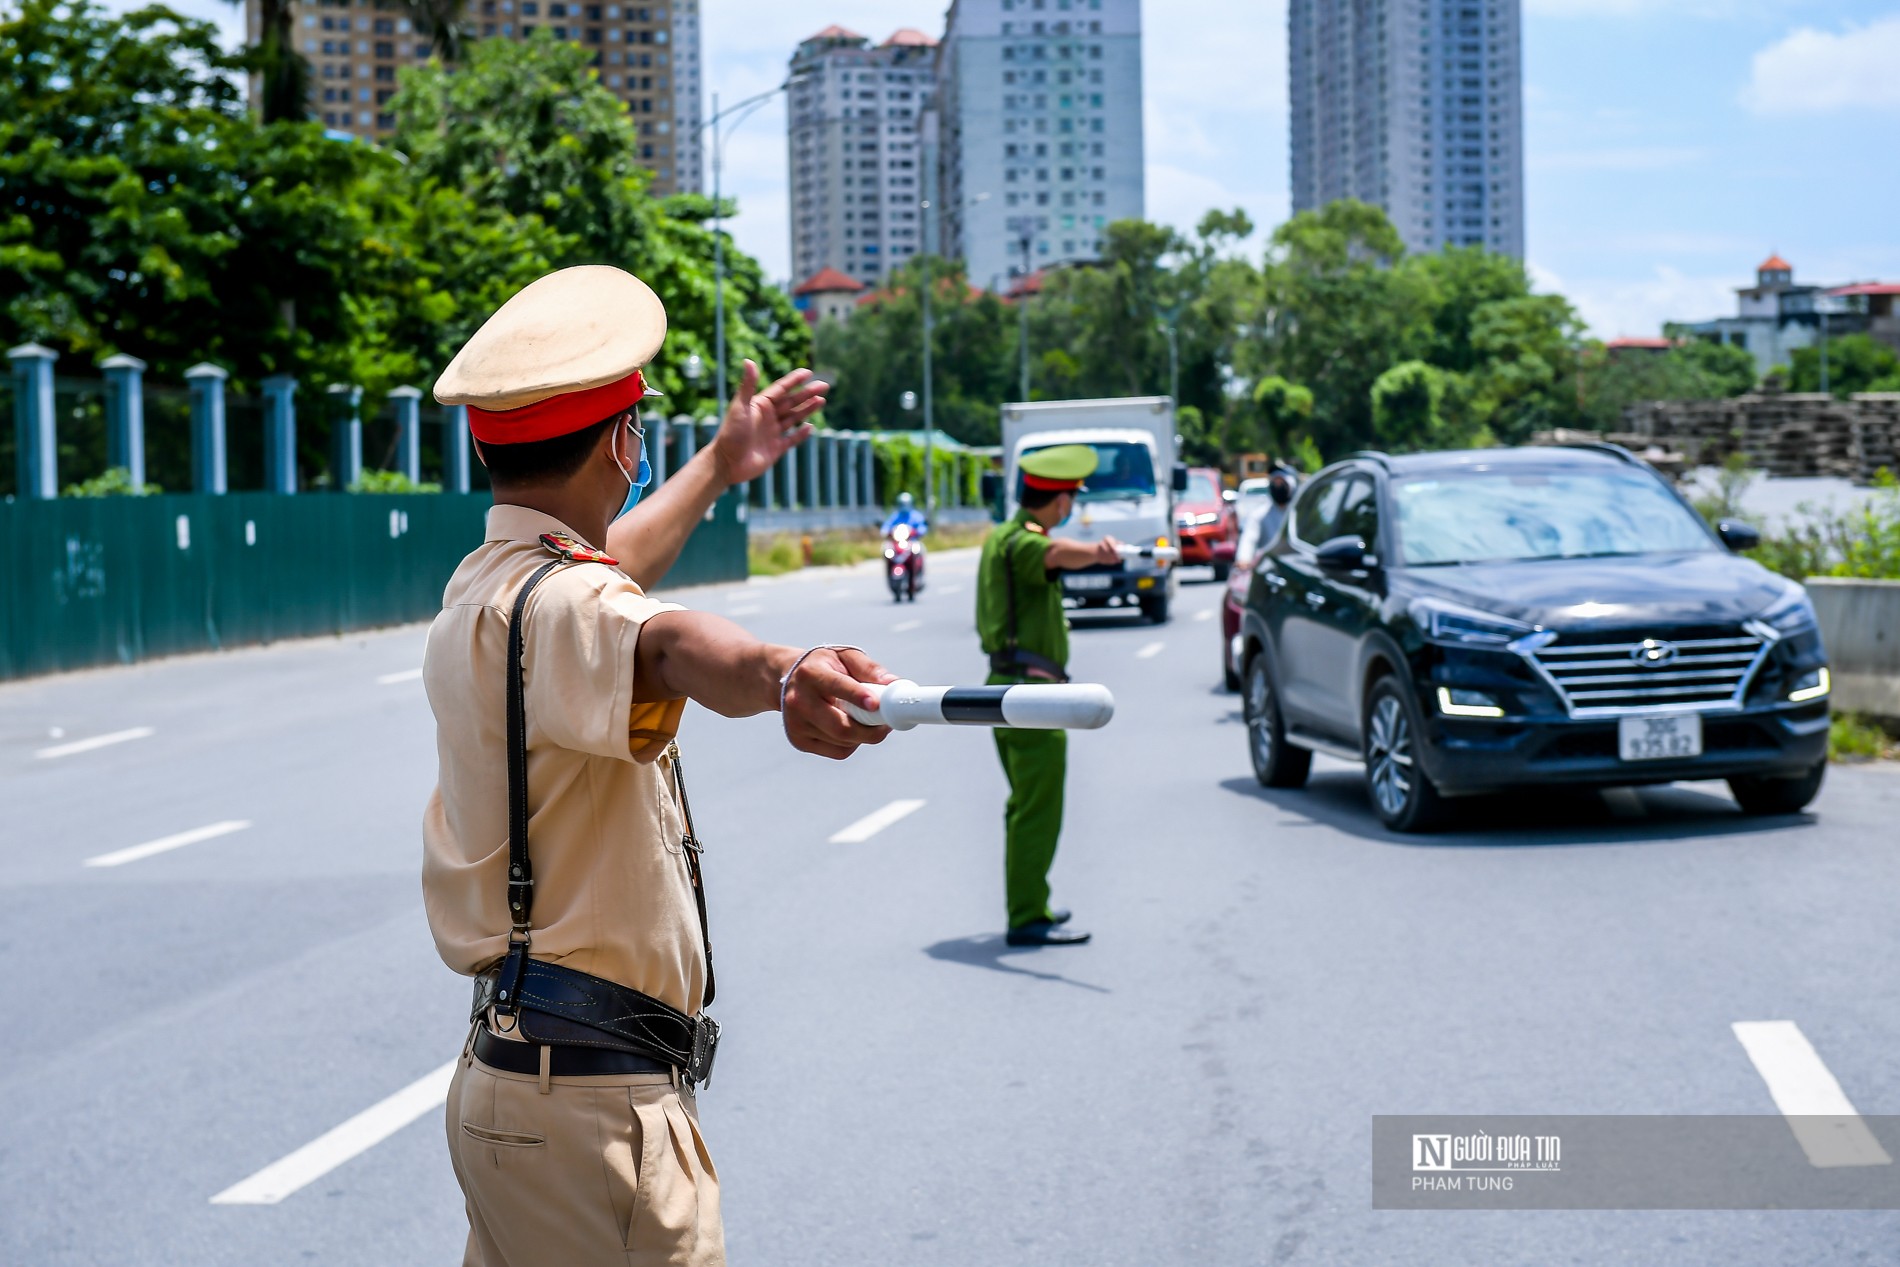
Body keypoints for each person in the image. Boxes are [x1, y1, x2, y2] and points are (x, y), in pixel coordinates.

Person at [424, 264, 896, 1267]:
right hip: (596, 1115)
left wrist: (723, 465)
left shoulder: (489, 587)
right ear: (619, 441)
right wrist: (781, 671)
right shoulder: (569, 610)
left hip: (516, 1091)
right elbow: (668, 641)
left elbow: (613, 570)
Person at [975, 444, 1124, 947]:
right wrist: (1100, 553)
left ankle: (1031, 901)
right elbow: (1055, 555)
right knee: (1037, 806)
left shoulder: (1003, 536)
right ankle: (1025, 916)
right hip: (1029, 695)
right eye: (1071, 498)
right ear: (1060, 501)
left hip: (1015, 690)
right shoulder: (1022, 543)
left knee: (1027, 804)